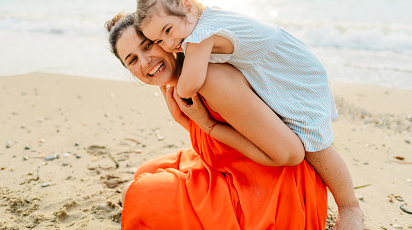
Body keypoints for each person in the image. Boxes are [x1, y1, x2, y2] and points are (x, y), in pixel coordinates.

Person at [134, 0, 363, 229]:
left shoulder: (201, 35)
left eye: (167, 31)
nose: (168, 45)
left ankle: (349, 206)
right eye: (159, 40)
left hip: (293, 74)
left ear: (187, 6)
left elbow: (190, 83)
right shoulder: (203, 23)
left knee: (315, 144)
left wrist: (178, 93)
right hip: (278, 72)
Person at [105, 12, 328, 229]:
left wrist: (207, 126)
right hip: (239, 166)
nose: (145, 62)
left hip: (278, 193)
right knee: (145, 171)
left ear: (163, 39)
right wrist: (185, 121)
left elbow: (290, 153)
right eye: (132, 60)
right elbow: (219, 145)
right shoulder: (180, 86)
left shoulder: (210, 78)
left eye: (147, 46)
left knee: (134, 193)